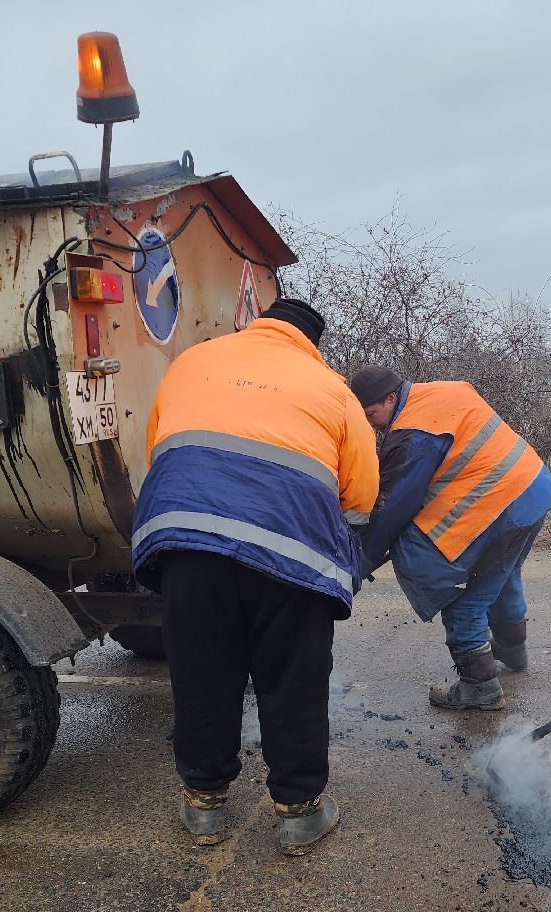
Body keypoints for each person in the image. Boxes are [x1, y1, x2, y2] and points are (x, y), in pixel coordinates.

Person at [132, 298, 379, 855]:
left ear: (256, 323)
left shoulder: (192, 363)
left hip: (188, 539)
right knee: (293, 679)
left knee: (201, 674)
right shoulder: (332, 388)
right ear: (311, 342)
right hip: (289, 552)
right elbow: (360, 495)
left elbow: (159, 449)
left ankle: (203, 805)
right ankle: (299, 813)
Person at [349, 365, 551, 710]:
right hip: (532, 491)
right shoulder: (443, 392)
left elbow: (391, 509)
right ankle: (511, 651)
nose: (372, 423)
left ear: (390, 398)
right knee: (502, 577)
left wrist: (358, 562)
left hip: (501, 508)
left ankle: (479, 687)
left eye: (372, 413)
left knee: (466, 598)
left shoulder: (411, 431)